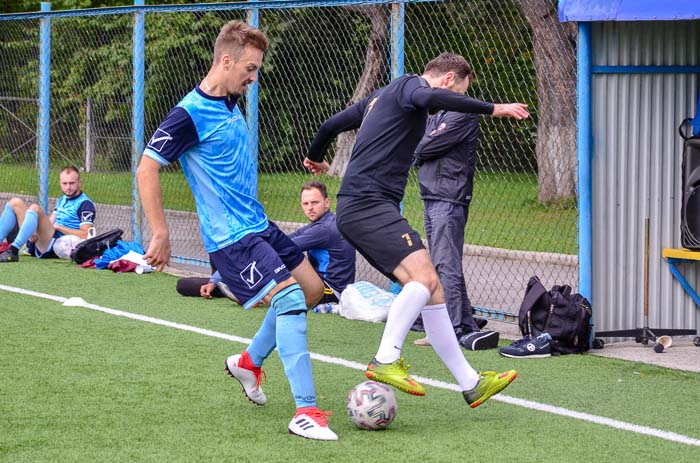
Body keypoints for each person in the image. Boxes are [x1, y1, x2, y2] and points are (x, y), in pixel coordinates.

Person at [136, 20, 337, 440]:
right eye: (249, 68)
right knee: (292, 301)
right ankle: (305, 411)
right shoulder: (187, 115)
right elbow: (147, 168)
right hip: (233, 239)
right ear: (226, 61)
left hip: (258, 224)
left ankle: (248, 363)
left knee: (313, 290)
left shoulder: (230, 100)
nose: (253, 76)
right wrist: (160, 231)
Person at [304, 52, 528, 408]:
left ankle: (471, 383)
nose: (449, 105)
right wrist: (492, 108)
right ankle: (386, 359)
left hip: (364, 206)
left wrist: (315, 156)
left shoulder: (380, 97)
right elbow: (429, 97)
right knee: (421, 281)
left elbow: (330, 126)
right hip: (368, 205)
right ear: (448, 80)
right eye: (458, 93)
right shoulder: (412, 86)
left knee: (433, 289)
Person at [412, 92, 499, 351]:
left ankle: (448, 329)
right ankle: (463, 323)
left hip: (448, 195)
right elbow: (421, 142)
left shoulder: (461, 112)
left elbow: (425, 146)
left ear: (450, 78)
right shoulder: (438, 112)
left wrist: (420, 148)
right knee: (445, 262)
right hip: (433, 193)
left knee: (445, 263)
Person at [0, 165, 95, 262]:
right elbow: (50, 222)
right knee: (15, 202)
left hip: (58, 245)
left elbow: (86, 235)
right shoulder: (63, 199)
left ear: (79, 183)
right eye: (65, 183)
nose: (68, 187)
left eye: (72, 183)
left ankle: (13, 251)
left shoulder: (85, 204)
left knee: (35, 208)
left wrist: (59, 227)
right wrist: (36, 232)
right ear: (60, 183)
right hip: (46, 239)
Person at [290, 180, 356, 305]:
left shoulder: (323, 230)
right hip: (329, 288)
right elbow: (287, 239)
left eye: (315, 203)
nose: (310, 208)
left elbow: (285, 247)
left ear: (326, 203)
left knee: (288, 255)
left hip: (331, 293)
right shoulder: (324, 223)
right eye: (305, 203)